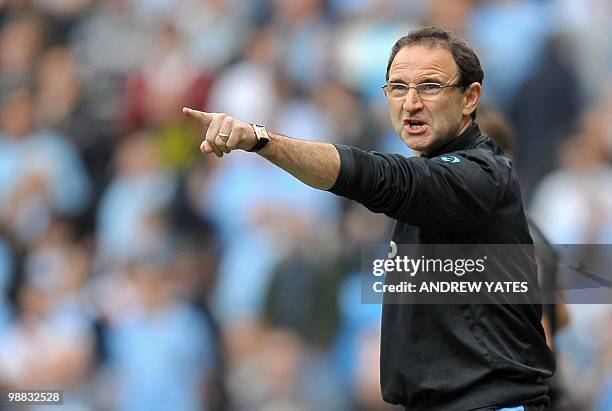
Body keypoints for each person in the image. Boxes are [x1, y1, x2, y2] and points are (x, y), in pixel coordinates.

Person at [183, 26, 555, 411]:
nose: (410, 103)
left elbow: (380, 177)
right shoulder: (431, 179)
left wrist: (262, 141)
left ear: (469, 97)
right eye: (397, 87)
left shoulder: (480, 174)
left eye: (429, 86)